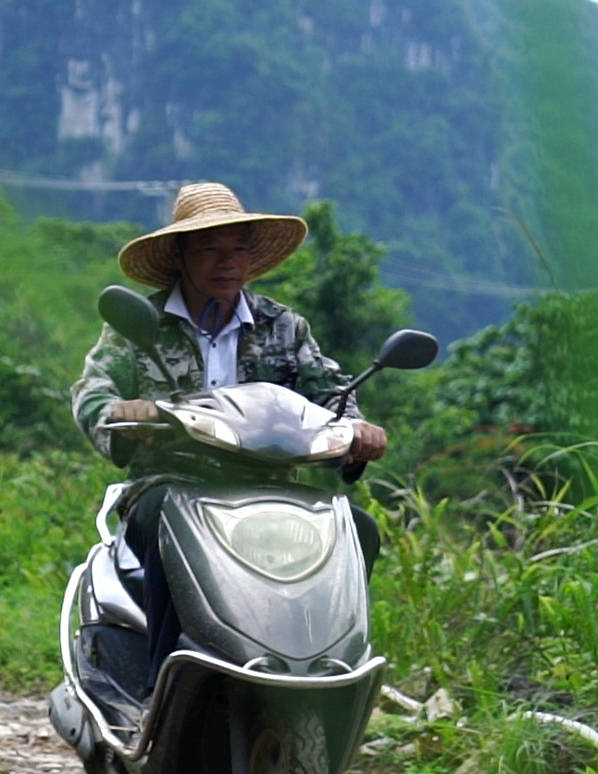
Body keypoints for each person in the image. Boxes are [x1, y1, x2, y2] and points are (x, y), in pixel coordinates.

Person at [71, 182, 388, 692]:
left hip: (275, 489)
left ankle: (331, 671)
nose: (228, 262)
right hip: (173, 485)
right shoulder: (141, 324)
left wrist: (358, 428)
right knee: (161, 523)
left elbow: (332, 393)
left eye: (239, 248)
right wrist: (119, 411)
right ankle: (162, 686)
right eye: (210, 249)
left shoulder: (284, 327)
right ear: (180, 254)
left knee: (359, 530)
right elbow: (93, 391)